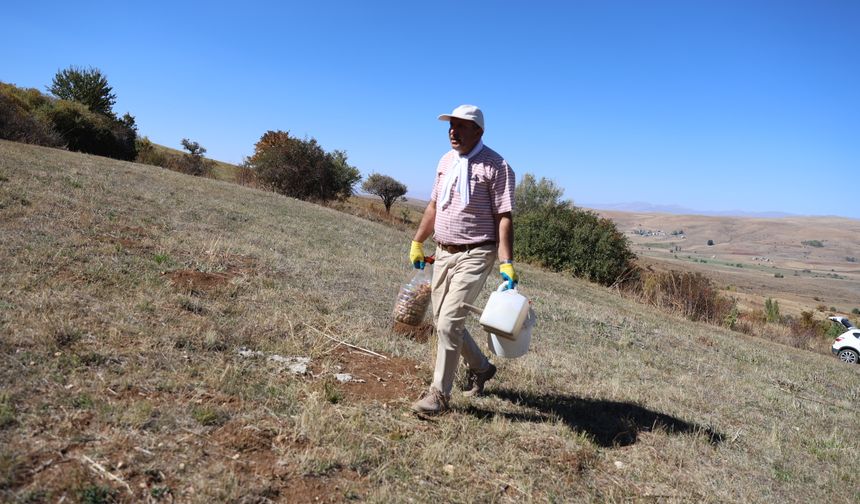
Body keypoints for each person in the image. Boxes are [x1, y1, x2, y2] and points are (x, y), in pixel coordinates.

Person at [409, 104, 517, 415]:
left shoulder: (497, 166)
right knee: (444, 320)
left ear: (478, 131)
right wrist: (417, 241)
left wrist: (506, 262)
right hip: (443, 251)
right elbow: (433, 207)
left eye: (461, 126)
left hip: (476, 252)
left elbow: (504, 217)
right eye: (450, 126)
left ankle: (439, 396)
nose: (453, 131)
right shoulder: (445, 161)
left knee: (448, 322)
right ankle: (481, 368)